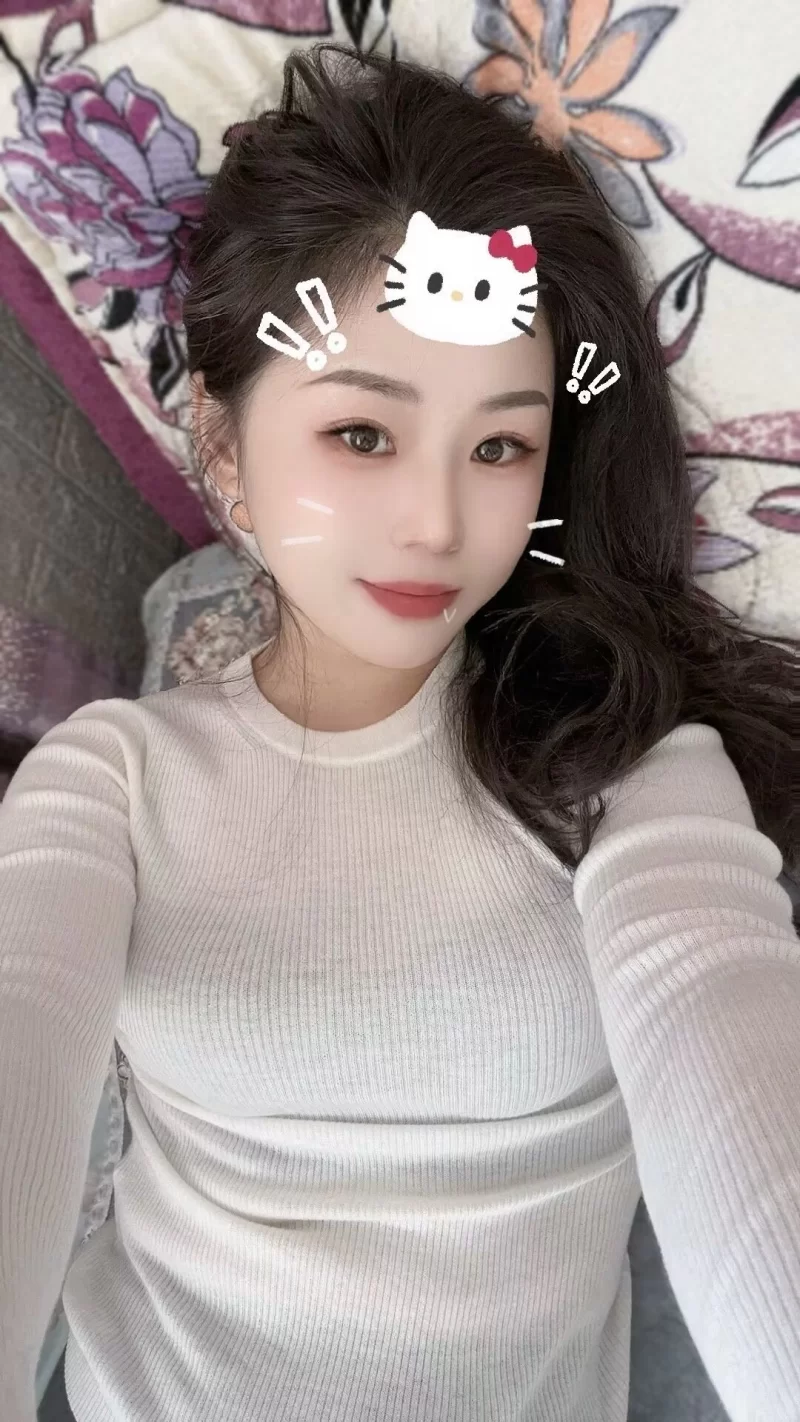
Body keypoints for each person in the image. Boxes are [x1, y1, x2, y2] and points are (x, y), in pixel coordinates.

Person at [1, 41, 799, 1422]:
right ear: (224, 444)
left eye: (500, 446)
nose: (437, 522)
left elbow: (734, 1065)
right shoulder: (112, 783)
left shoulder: (628, 775)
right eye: (363, 434)